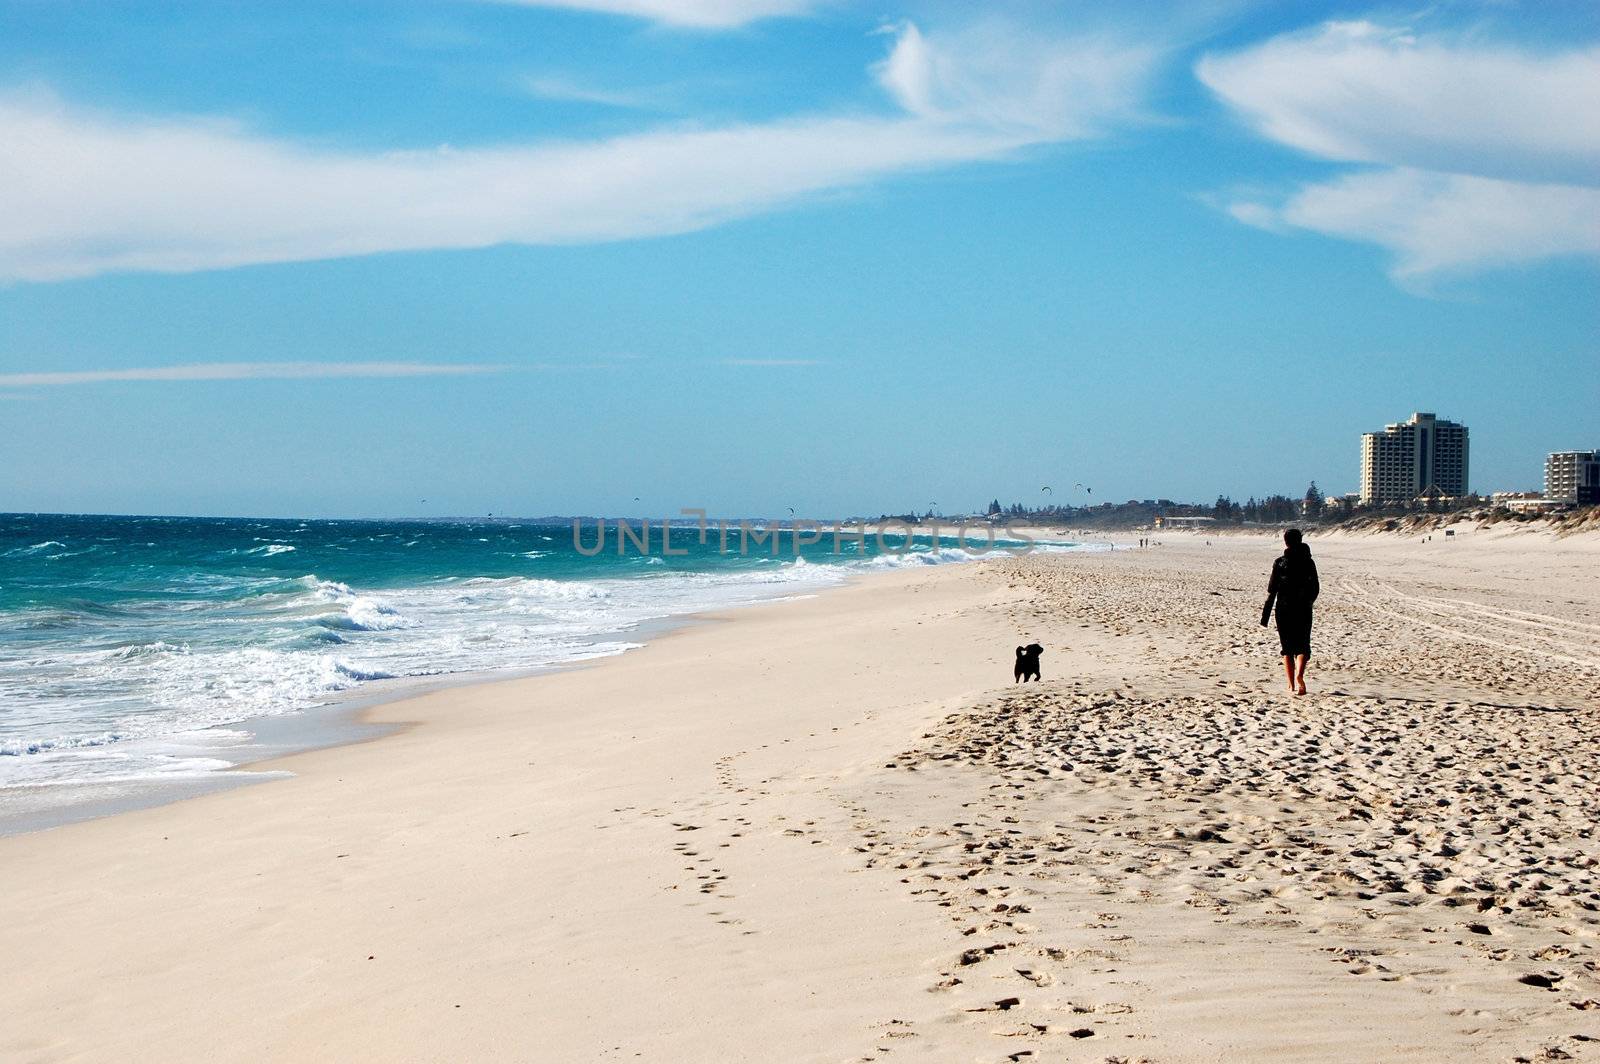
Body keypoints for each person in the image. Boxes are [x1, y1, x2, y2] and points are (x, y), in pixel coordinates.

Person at [1261, 528, 1319, 695]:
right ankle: (1300, 676)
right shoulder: (1309, 562)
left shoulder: (1280, 562)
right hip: (1303, 608)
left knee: (1287, 647)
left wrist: (1265, 615)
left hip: (1283, 608)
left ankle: (1290, 684)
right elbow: (1315, 587)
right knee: (1303, 646)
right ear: (1300, 541)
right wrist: (1308, 601)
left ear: (1286, 542)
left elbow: (1272, 588)